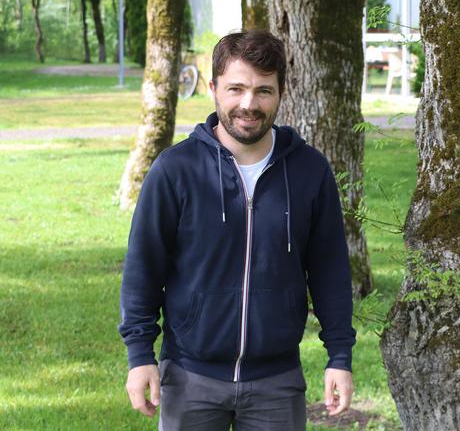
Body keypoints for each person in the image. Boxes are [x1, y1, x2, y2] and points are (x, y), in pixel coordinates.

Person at [118, 29, 356, 430]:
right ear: (213, 88)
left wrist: (340, 357)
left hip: (276, 382)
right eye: (236, 88)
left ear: (282, 91)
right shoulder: (176, 170)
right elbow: (144, 268)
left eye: (264, 90)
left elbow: (330, 269)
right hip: (190, 377)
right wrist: (140, 355)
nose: (249, 104)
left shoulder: (310, 171)